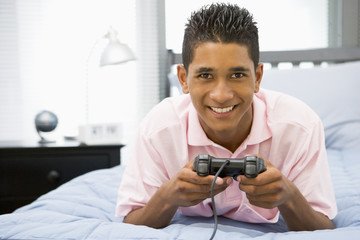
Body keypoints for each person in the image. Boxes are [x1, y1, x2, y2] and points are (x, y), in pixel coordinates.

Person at [116, 3, 337, 231]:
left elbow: (323, 226)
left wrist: (289, 197)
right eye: (205, 75)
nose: (221, 95)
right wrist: (167, 197)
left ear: (257, 77)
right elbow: (131, 223)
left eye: (238, 74)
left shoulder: (301, 126)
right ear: (183, 79)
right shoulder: (158, 128)